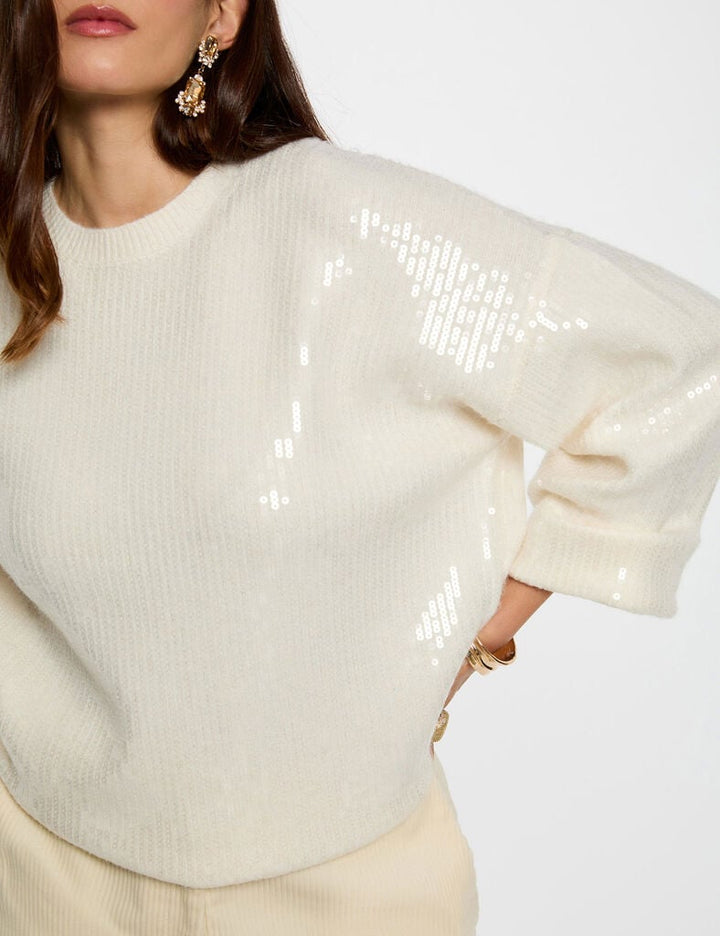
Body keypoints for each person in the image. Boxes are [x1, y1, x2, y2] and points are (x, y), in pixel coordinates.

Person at [0, 2, 717, 934]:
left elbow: (678, 360)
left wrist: (482, 637)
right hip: (41, 870)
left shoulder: (343, 225)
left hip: (341, 887)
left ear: (223, 15)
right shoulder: (13, 266)